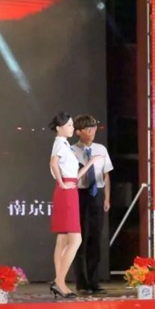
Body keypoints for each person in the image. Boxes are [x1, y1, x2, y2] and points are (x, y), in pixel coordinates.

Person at [48, 112, 101, 299]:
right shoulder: (59, 143)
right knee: (75, 240)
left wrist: (90, 163)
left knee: (63, 240)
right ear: (59, 128)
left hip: (70, 189)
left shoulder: (65, 145)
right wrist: (62, 183)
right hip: (66, 192)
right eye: (69, 125)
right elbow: (53, 163)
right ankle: (59, 281)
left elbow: (74, 176)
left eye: (72, 125)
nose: (72, 128)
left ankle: (59, 282)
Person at [71, 114, 113, 295]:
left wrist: (107, 198)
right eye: (88, 129)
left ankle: (94, 281)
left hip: (97, 195)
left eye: (94, 128)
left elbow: (106, 174)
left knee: (95, 239)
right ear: (78, 132)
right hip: (80, 195)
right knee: (81, 239)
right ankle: (82, 282)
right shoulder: (72, 150)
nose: (92, 132)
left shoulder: (101, 149)